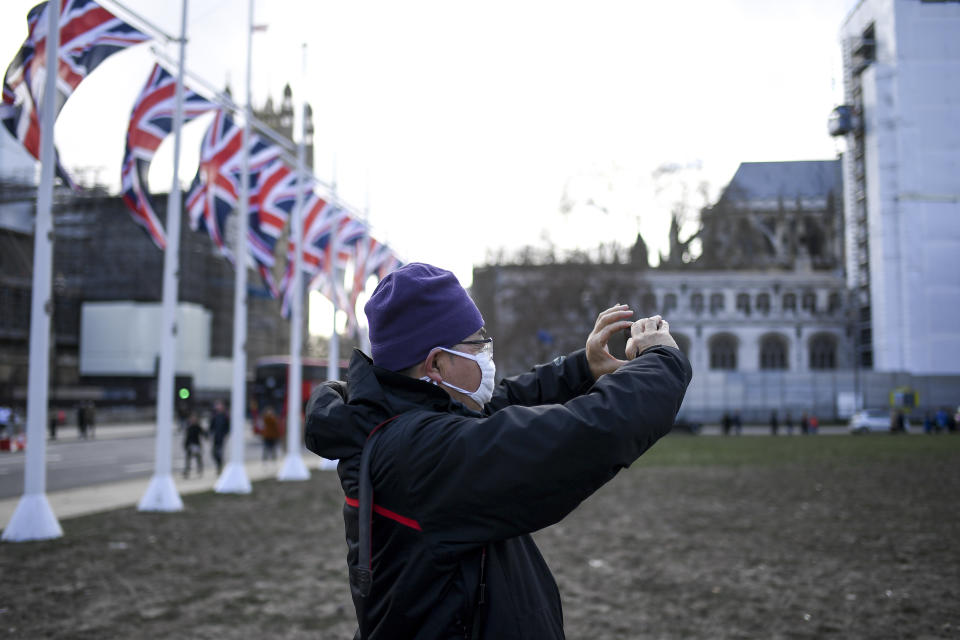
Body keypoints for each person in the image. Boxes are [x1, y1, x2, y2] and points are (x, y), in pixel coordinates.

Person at [304, 262, 692, 639]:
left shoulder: (398, 421)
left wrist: (582, 369)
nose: (488, 356)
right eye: (478, 345)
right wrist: (662, 360)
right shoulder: (421, 453)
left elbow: (498, 405)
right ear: (436, 364)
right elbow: (582, 436)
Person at [209, 401, 230, 475]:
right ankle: (219, 465)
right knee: (213, 453)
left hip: (221, 438)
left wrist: (225, 434)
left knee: (219, 452)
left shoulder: (225, 416)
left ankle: (219, 466)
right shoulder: (214, 416)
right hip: (216, 437)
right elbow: (211, 427)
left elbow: (228, 427)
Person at [182, 412, 206, 478]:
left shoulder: (197, 427)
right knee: (188, 459)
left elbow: (203, 433)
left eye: (194, 419)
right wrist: (185, 444)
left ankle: (199, 470)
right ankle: (187, 471)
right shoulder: (189, 427)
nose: (192, 420)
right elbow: (187, 437)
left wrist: (207, 436)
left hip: (196, 445)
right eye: (191, 419)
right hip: (190, 445)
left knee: (198, 458)